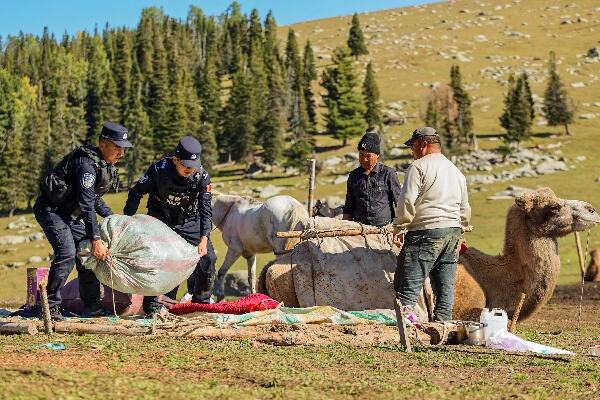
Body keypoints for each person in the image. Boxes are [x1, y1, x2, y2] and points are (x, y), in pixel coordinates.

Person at [34, 122, 132, 320]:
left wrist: (115, 219)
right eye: (116, 148)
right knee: (67, 253)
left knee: (87, 255)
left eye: (123, 149)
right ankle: (50, 309)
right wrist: (96, 239)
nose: (120, 154)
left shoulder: (101, 164)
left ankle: (93, 307)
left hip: (73, 214)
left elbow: (94, 198)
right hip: (52, 210)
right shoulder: (86, 166)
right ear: (102, 144)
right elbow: (87, 204)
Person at [123, 136, 216, 317]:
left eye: (193, 164)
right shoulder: (158, 170)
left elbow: (206, 210)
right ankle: (153, 307)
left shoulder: (202, 176)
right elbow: (136, 193)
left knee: (208, 258)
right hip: (160, 219)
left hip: (189, 219)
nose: (190, 168)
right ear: (175, 160)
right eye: (185, 164)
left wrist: (204, 238)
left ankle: (201, 305)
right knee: (156, 259)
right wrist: (127, 222)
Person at [393, 127, 471, 321]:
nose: (412, 151)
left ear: (423, 144)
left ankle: (408, 331)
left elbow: (407, 201)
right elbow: (465, 207)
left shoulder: (418, 167)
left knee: (407, 285)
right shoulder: (455, 170)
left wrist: (400, 227)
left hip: (425, 230)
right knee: (445, 289)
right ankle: (442, 328)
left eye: (413, 146)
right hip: (452, 232)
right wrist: (461, 227)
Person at [342, 129, 403, 227]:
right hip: (359, 230)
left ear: (377, 155)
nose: (364, 159)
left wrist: (400, 227)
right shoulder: (353, 176)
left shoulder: (388, 173)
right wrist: (345, 227)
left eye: (368, 156)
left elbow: (400, 202)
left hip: (385, 229)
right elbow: (349, 205)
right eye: (361, 155)